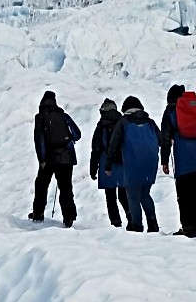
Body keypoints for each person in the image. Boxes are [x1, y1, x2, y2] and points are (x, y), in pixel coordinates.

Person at [159, 85, 196, 238]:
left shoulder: (170, 111)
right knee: (195, 190)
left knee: (183, 193)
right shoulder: (195, 107)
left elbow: (165, 138)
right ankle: (194, 226)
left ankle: (187, 227)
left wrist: (164, 160)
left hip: (184, 157)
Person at [107, 96, 162, 233]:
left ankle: (136, 225)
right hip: (150, 164)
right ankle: (153, 223)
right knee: (145, 194)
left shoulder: (123, 122)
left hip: (132, 164)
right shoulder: (150, 122)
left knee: (132, 195)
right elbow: (161, 140)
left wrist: (108, 164)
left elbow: (113, 144)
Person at [30, 91, 81, 226]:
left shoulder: (40, 118)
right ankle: (69, 217)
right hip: (66, 158)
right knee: (66, 188)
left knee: (41, 185)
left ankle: (38, 213)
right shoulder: (63, 115)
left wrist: (42, 159)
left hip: (49, 158)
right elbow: (77, 134)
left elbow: (39, 140)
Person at [87, 98, 125, 228]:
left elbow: (96, 149)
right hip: (122, 163)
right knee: (123, 194)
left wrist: (93, 168)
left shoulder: (101, 125)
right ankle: (131, 217)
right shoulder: (123, 123)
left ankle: (115, 222)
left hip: (106, 164)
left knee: (110, 197)